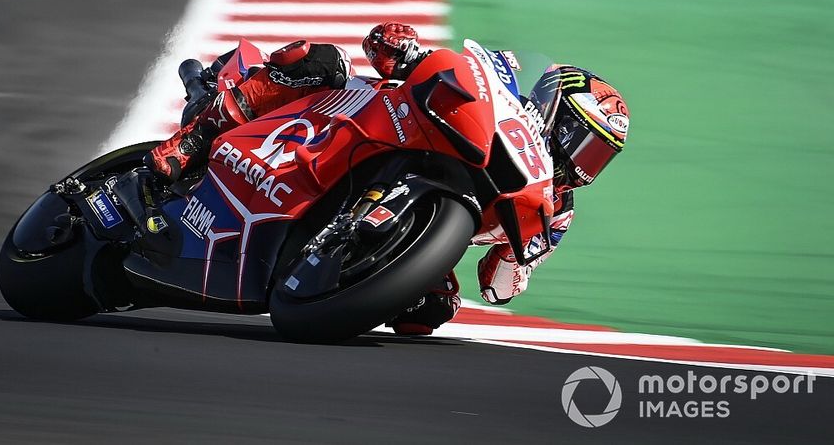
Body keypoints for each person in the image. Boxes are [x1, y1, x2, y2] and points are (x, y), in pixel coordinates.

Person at [144, 23, 630, 336]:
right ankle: (195, 137)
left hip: (416, 222)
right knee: (322, 60)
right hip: (365, 124)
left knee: (432, 308)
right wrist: (404, 48)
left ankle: (331, 274)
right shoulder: (503, 92)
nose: (585, 162)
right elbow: (384, 46)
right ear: (552, 108)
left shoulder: (554, 209)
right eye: (582, 140)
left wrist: (522, 265)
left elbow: (497, 288)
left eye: (600, 156)